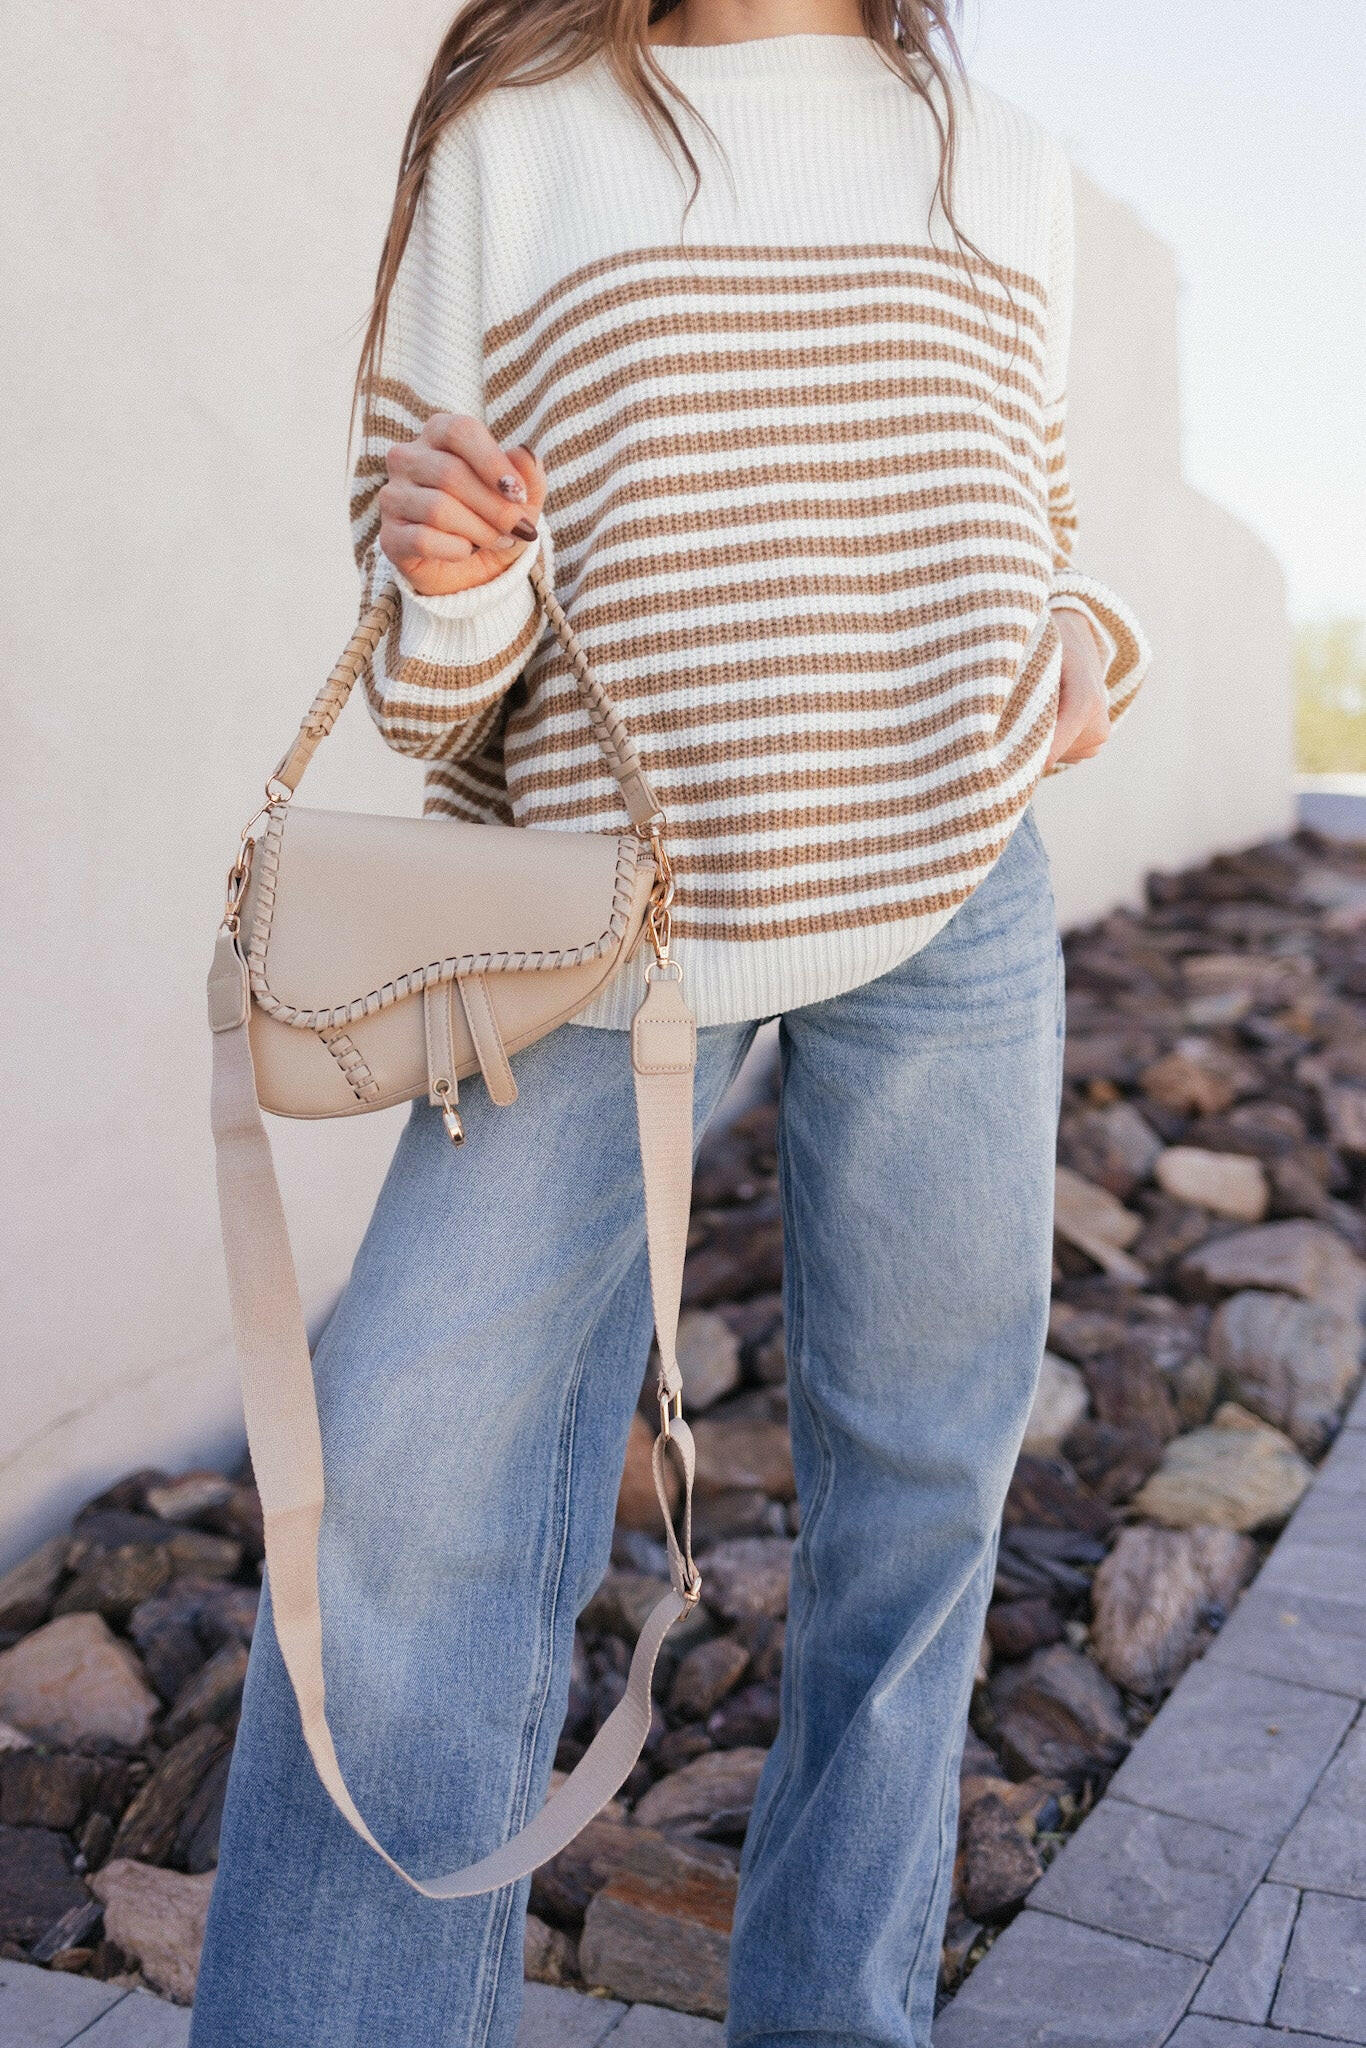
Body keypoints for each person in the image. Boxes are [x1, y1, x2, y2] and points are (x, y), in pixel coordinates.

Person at [190, 0, 1148, 2041]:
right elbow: (429, 684)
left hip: (952, 889)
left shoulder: (994, 149)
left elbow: (1026, 515)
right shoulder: (515, 141)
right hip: (587, 915)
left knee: (913, 1514)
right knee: (402, 1506)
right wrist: (450, 579)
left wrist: (1080, 628)